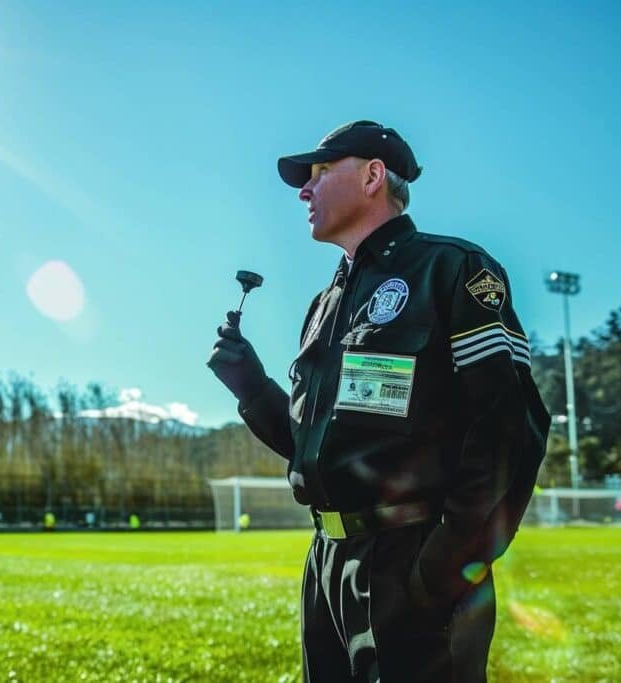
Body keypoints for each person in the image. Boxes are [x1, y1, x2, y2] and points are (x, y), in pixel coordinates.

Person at [207, 120, 550, 682]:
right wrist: (252, 387)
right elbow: (312, 448)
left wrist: (449, 562)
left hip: (412, 555)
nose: (304, 190)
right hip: (327, 564)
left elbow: (509, 423)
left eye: (319, 172)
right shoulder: (323, 304)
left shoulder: (453, 269)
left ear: (372, 176)